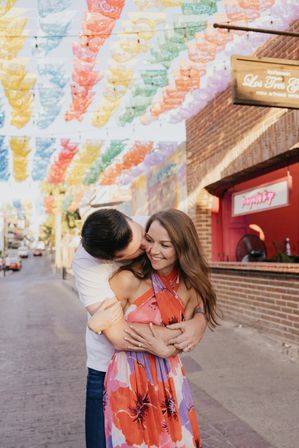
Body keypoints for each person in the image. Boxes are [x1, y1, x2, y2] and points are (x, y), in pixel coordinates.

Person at [73, 209, 207, 448]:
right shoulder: (90, 264)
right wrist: (175, 341)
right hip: (110, 368)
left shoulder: (153, 224)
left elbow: (199, 294)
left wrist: (199, 321)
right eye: (141, 247)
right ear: (115, 258)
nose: (149, 247)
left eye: (145, 236)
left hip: (165, 375)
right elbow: (120, 336)